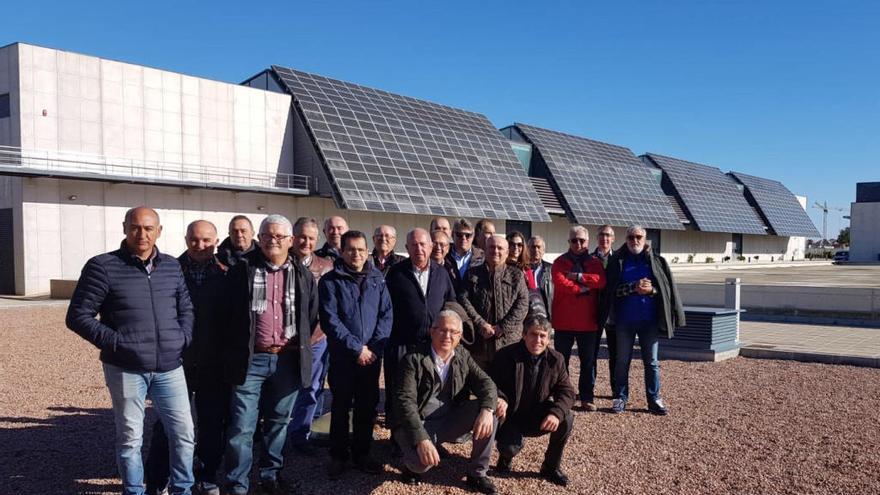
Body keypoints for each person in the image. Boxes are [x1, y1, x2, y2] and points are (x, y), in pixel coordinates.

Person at [66, 206, 195, 495]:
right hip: (126, 368)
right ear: (124, 228)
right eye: (136, 227)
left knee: (184, 435)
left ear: (159, 231)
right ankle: (134, 491)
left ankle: (183, 489)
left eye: (149, 228)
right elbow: (78, 316)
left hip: (170, 367)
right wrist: (118, 343)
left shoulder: (172, 266)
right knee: (129, 439)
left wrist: (182, 338)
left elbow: (185, 307)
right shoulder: (103, 266)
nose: (142, 234)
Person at [222, 214, 319, 495]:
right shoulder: (242, 271)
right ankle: (237, 484)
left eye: (279, 236)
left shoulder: (302, 274)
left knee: (278, 423)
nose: (273, 240)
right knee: (242, 425)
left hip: (287, 359)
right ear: (259, 239)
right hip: (250, 360)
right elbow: (227, 315)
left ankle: (270, 476)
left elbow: (309, 316)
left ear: (290, 241)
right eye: (267, 235)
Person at [146, 220, 229, 495]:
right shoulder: (168, 270)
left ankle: (206, 476)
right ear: (185, 239)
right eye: (194, 239)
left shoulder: (227, 274)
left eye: (206, 240)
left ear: (216, 241)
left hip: (213, 363)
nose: (200, 245)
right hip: (175, 362)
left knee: (211, 423)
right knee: (166, 424)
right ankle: (157, 480)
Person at [391, 310, 499, 494]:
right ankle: (410, 466)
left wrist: (488, 409)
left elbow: (485, 382)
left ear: (460, 336)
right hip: (417, 423)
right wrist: (421, 440)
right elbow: (405, 403)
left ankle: (477, 474)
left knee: (492, 412)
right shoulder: (413, 359)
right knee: (420, 464)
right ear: (432, 331)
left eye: (453, 332)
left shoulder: (462, 355)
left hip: (448, 419)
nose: (447, 336)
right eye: (442, 330)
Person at [319, 230, 393, 479]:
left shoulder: (377, 279)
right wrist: (356, 348)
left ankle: (362, 453)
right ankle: (338, 455)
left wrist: (373, 349)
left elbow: (386, 315)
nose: (356, 254)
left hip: (371, 357)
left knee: (366, 406)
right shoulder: (330, 281)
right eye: (351, 249)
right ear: (342, 251)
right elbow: (331, 320)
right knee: (340, 406)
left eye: (361, 250)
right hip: (344, 357)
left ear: (367, 251)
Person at [601, 225, 685, 415]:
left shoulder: (656, 261)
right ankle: (620, 398)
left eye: (638, 237)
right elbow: (611, 291)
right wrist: (633, 287)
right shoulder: (618, 261)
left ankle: (654, 399)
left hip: (649, 322)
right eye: (631, 237)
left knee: (652, 362)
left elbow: (665, 290)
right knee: (622, 361)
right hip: (624, 321)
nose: (634, 241)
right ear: (626, 239)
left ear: (645, 238)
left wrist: (651, 290)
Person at [385, 228, 456, 434]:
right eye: (414, 245)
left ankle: (428, 437)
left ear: (431, 246)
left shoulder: (441, 273)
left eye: (423, 244)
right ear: (407, 248)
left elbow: (450, 302)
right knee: (399, 391)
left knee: (427, 392)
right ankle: (398, 439)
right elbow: (386, 307)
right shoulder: (396, 273)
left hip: (431, 345)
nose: (419, 249)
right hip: (402, 343)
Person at [490, 315, 575, 487]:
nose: (538, 340)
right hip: (510, 416)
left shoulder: (556, 359)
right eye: (533, 335)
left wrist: (556, 413)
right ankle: (505, 458)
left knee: (567, 417)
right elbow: (490, 383)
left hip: (538, 415)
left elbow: (567, 391)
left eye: (543, 336)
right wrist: (500, 397)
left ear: (548, 338)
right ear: (524, 335)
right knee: (509, 447)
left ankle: (550, 467)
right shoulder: (505, 355)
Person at [287, 217, 334, 455]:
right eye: (302, 236)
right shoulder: (280, 261)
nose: (306, 242)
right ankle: (277, 431)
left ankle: (301, 433)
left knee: (312, 387)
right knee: (283, 388)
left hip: (316, 339)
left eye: (311, 238)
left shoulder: (326, 267)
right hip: (284, 341)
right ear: (293, 237)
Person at [551, 225, 607, 411]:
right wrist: (582, 289)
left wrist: (578, 276)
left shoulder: (594, 262)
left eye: (582, 240)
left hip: (588, 322)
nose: (578, 244)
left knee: (588, 362)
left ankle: (586, 396)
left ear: (588, 242)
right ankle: (562, 396)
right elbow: (560, 283)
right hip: (563, 321)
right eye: (574, 240)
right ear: (569, 242)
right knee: (561, 362)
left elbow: (600, 281)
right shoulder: (559, 262)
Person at [459, 235, 529, 369]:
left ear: (507, 252)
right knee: (481, 383)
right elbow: (464, 300)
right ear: (485, 249)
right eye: (491, 247)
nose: (495, 251)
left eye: (500, 248)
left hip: (508, 342)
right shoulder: (472, 274)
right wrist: (481, 323)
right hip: (479, 343)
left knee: (506, 384)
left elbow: (523, 304)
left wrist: (502, 327)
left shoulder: (517, 275)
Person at [592, 225, 618, 395]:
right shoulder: (589, 259)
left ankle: (617, 390)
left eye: (608, 235)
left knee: (615, 354)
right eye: (601, 235)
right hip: (593, 312)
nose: (605, 238)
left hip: (614, 313)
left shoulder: (619, 259)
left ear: (613, 238)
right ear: (597, 238)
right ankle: (588, 390)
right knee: (591, 353)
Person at [447, 218, 484, 292]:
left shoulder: (482, 257)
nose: (463, 238)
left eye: (467, 235)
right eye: (459, 235)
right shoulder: (444, 256)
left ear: (473, 236)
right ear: (452, 235)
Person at [528, 236, 553, 318]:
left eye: (539, 247)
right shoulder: (521, 269)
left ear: (544, 250)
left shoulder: (551, 269)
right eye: (533, 247)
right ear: (527, 249)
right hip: (526, 313)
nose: (536, 250)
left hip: (545, 313)